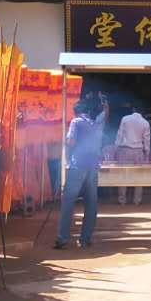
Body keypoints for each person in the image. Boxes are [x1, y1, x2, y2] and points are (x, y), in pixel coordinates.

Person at [54, 93, 108, 249]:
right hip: (93, 166)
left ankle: (63, 238)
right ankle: (85, 239)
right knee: (91, 203)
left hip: (78, 165)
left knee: (68, 201)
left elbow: (71, 141)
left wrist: (64, 141)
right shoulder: (94, 123)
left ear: (75, 112)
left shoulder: (76, 122)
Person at [114, 102, 151, 205]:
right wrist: (147, 154)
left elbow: (119, 134)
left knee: (123, 175)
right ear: (143, 112)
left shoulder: (125, 119)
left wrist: (116, 147)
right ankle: (137, 200)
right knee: (139, 176)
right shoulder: (145, 123)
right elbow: (146, 140)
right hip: (138, 151)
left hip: (125, 150)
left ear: (133, 109)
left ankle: (122, 200)